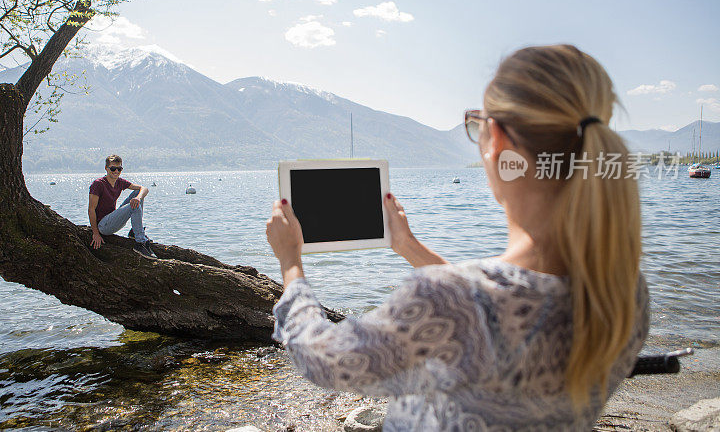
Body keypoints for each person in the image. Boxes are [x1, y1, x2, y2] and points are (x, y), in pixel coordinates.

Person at [266, 44, 649, 430]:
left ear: (496, 139)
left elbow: (325, 360)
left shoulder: (449, 299)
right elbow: (492, 312)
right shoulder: (622, 292)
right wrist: (410, 248)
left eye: (475, 126)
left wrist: (291, 263)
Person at [89, 154, 156, 259]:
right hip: (103, 226)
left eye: (119, 169)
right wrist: (95, 233)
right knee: (134, 205)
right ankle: (140, 243)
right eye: (113, 168)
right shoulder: (98, 184)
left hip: (113, 218)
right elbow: (91, 209)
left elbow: (144, 188)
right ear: (106, 168)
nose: (116, 171)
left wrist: (138, 197)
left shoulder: (120, 182)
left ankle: (134, 232)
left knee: (137, 194)